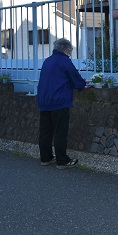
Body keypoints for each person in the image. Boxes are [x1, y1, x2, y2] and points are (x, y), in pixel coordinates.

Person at [37, 38, 86, 169]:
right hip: (59, 102)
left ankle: (45, 158)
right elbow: (74, 77)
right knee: (60, 131)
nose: (69, 53)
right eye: (69, 51)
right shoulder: (64, 61)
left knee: (45, 131)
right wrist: (82, 85)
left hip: (44, 101)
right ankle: (62, 161)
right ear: (66, 49)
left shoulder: (47, 61)